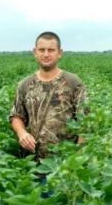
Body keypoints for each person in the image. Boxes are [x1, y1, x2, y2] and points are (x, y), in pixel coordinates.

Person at [10, 31, 87, 160]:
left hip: (65, 163)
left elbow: (85, 121)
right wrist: (22, 133)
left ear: (59, 53)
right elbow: (16, 115)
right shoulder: (25, 85)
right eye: (42, 50)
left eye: (51, 50)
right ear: (35, 52)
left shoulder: (73, 82)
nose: (46, 54)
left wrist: (78, 158)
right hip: (32, 163)